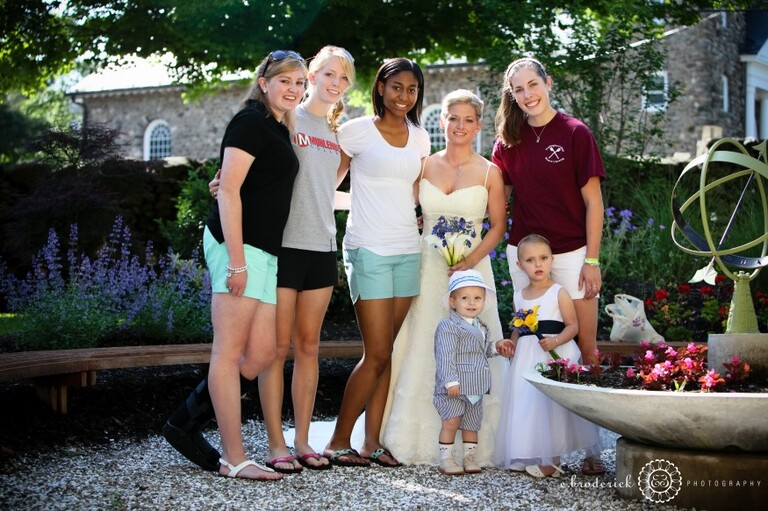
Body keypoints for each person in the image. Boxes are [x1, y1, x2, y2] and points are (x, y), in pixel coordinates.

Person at [162, 50, 307, 481]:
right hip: (238, 247)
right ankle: (234, 456)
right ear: (264, 82)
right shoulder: (250, 121)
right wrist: (238, 262)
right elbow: (228, 192)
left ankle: (183, 422)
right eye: (285, 81)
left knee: (261, 352)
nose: (293, 90)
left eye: (300, 83)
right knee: (228, 352)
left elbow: (245, 184)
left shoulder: (279, 128)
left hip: (265, 251)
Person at [378, 89, 508, 466]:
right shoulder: (424, 165)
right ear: (442, 121)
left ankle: (471, 445)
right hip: (429, 268)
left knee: (471, 348)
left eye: (468, 120)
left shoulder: (489, 172)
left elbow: (497, 226)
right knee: (422, 341)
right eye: (454, 118)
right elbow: (397, 202)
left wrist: (470, 260)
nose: (460, 126)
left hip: (472, 272)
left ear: (479, 125)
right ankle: (409, 436)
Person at [492, 56, 606, 475]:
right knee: (530, 348)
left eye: (532, 85)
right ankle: (539, 446)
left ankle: (592, 447)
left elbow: (594, 202)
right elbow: (495, 200)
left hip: (573, 253)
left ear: (548, 82)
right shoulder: (508, 140)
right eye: (518, 89)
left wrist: (592, 259)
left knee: (585, 348)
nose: (527, 95)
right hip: (524, 255)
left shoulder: (575, 133)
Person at [322, 58, 431, 468]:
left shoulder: (420, 137)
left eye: (412, 89)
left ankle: (373, 442)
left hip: (408, 249)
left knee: (387, 352)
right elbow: (324, 183)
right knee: (378, 351)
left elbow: (419, 192)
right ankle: (337, 440)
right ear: (381, 88)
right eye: (397, 87)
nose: (404, 96)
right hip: (367, 248)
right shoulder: (356, 131)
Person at [494, 234, 600, 478]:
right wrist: (511, 342)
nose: (538, 264)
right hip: (527, 355)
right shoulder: (519, 295)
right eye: (530, 260)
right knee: (528, 403)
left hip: (553, 353)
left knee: (549, 406)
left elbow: (572, 326)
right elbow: (519, 326)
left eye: (543, 258)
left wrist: (555, 341)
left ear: (552, 260)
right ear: (520, 266)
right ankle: (530, 452)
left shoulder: (558, 292)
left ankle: (551, 460)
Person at [433, 270, 514, 476]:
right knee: (451, 421)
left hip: (476, 385)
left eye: (477, 298)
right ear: (453, 302)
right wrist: (450, 381)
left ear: (484, 301)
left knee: (471, 424)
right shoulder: (448, 326)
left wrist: (497, 346)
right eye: (465, 298)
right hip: (455, 385)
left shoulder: (482, 326)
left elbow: (483, 351)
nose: (472, 303)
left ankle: (470, 458)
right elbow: (445, 355)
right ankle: (446, 459)